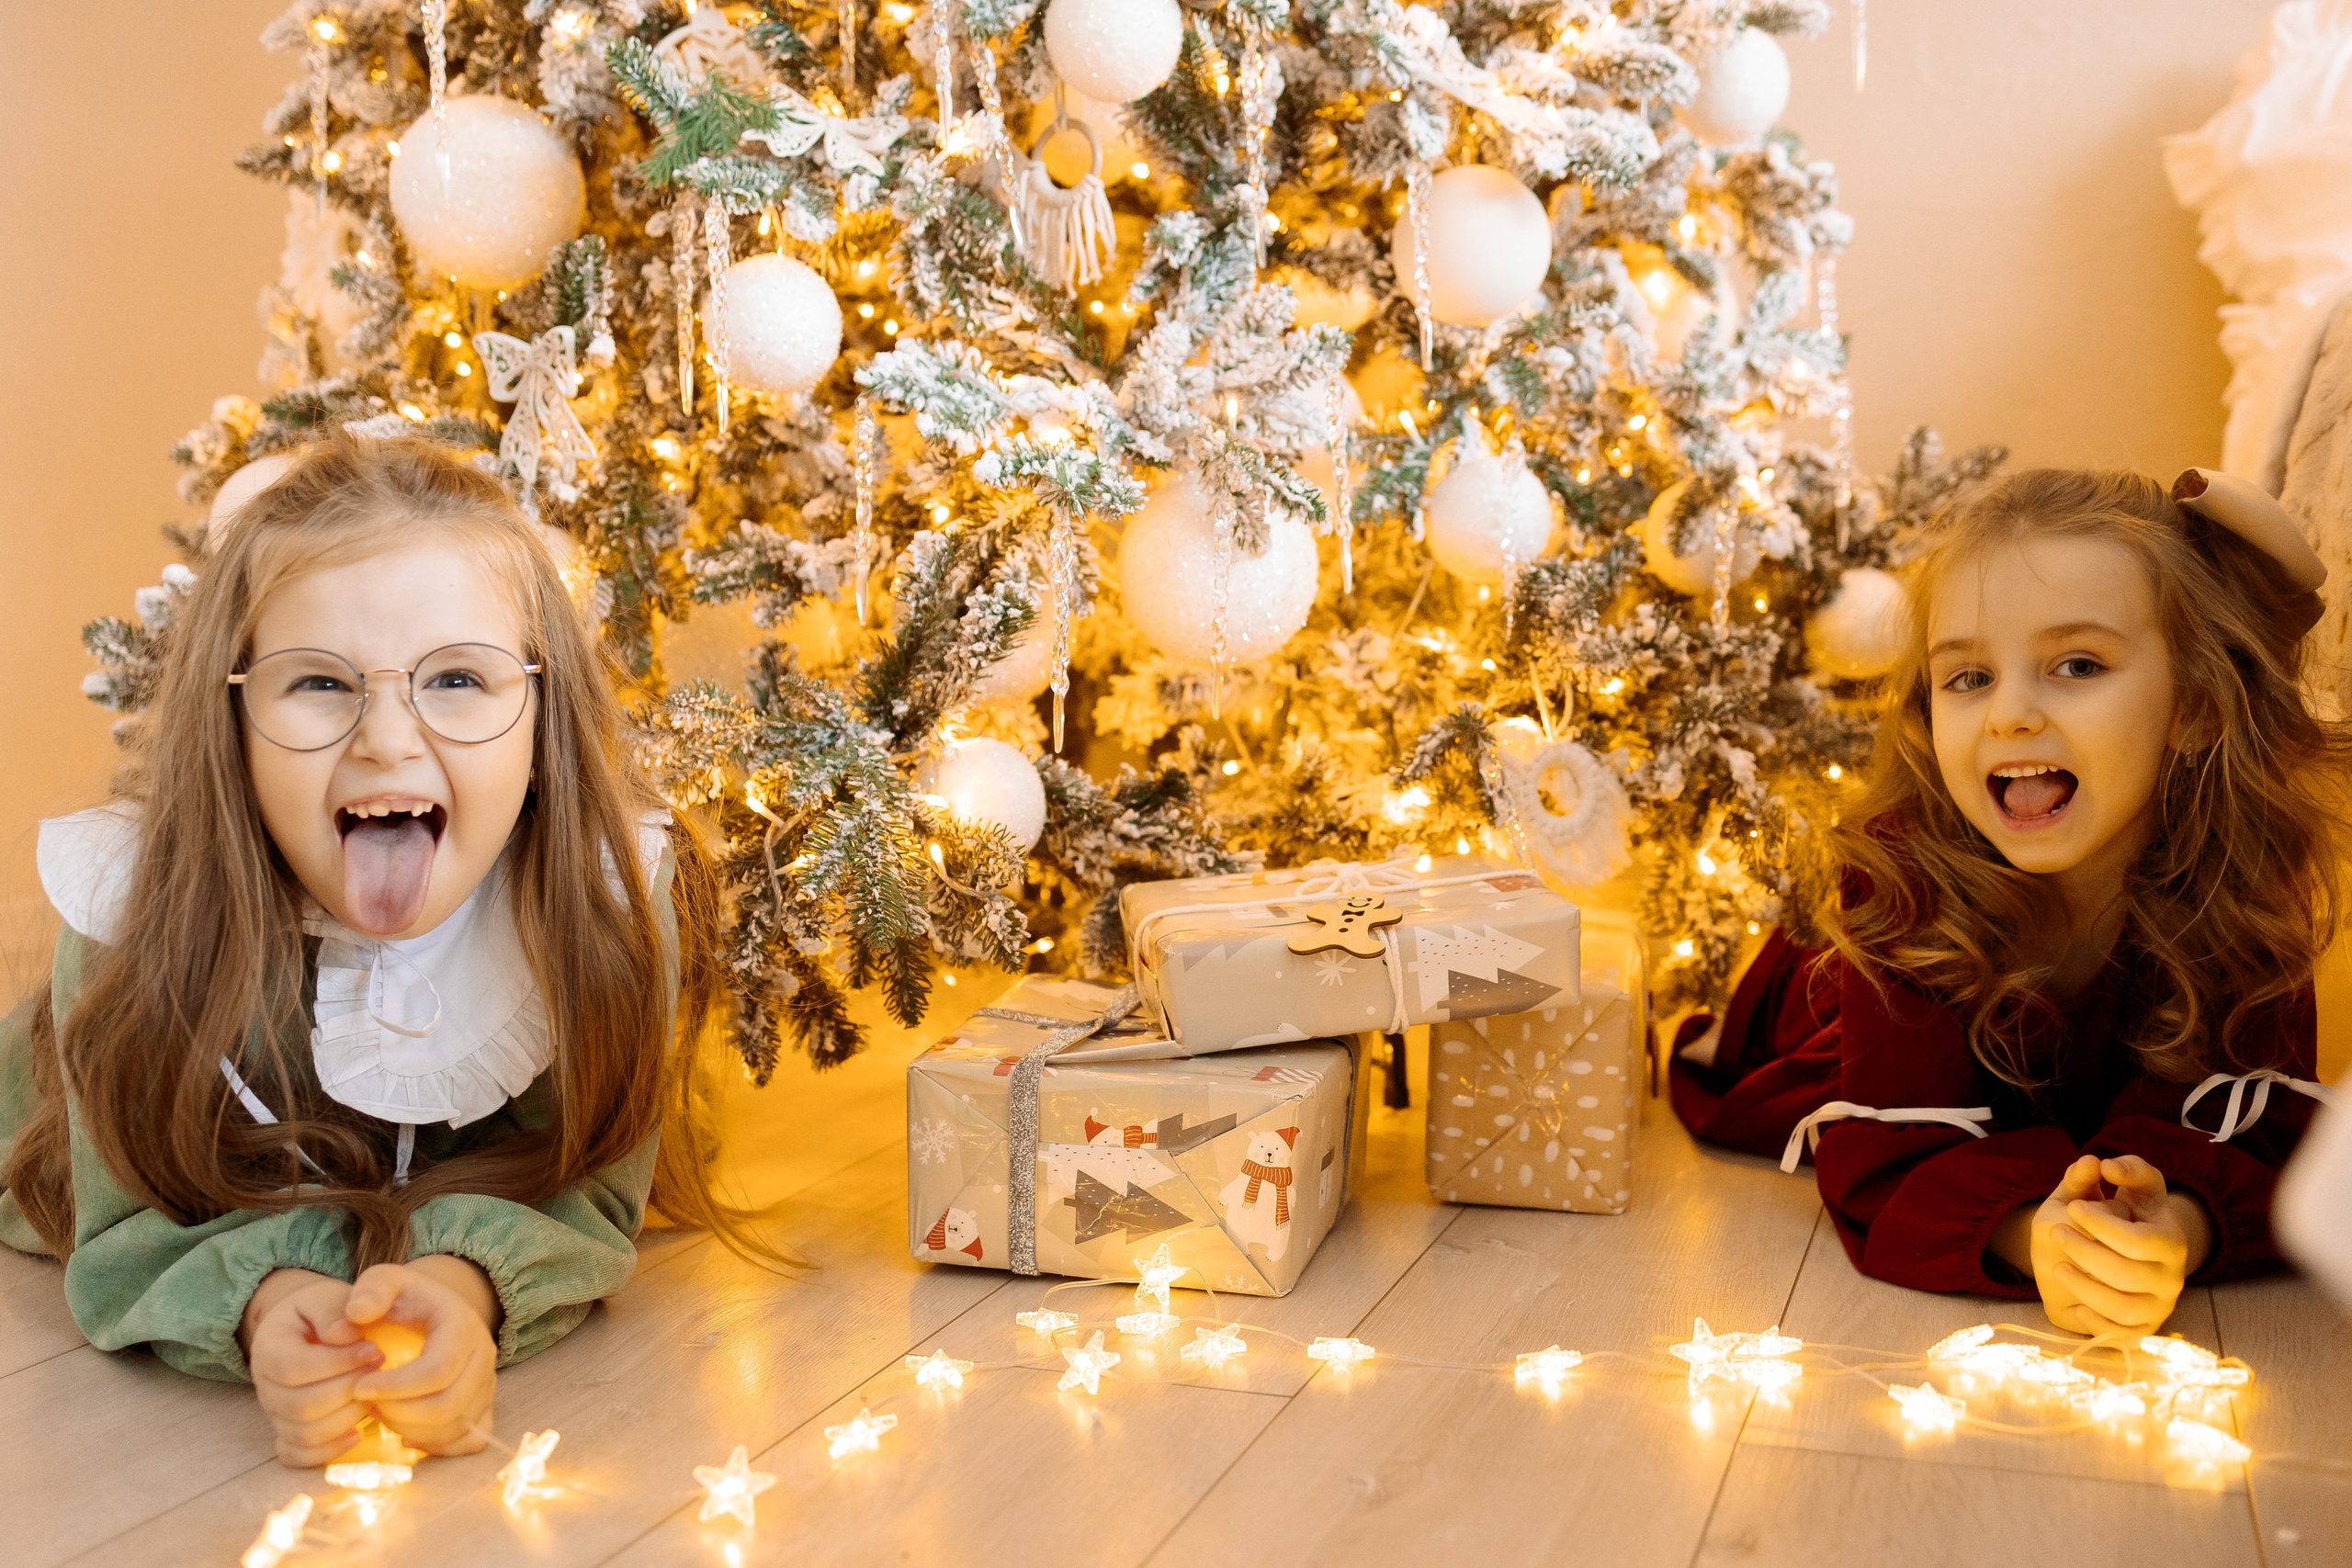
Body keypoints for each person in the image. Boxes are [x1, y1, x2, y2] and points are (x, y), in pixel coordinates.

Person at [0, 434, 755, 1465]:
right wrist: (274, 1302)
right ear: (236, 722)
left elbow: (589, 1188)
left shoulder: (608, 904)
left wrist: (461, 1286)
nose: (387, 741)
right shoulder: (133, 918)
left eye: (456, 679)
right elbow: (123, 1218)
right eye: (317, 683)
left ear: (541, 719)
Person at [1673, 468, 2345, 1338]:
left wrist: (2174, 1220)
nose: (2011, 714)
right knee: (1763, 1033)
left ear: (2197, 706)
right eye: (1968, 678)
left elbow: (2264, 1126)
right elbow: (1884, 1156)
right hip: (1845, 1016)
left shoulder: (2249, 872)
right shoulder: (1904, 871)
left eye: (2077, 664)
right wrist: (2040, 1237)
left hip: (2058, 1075)